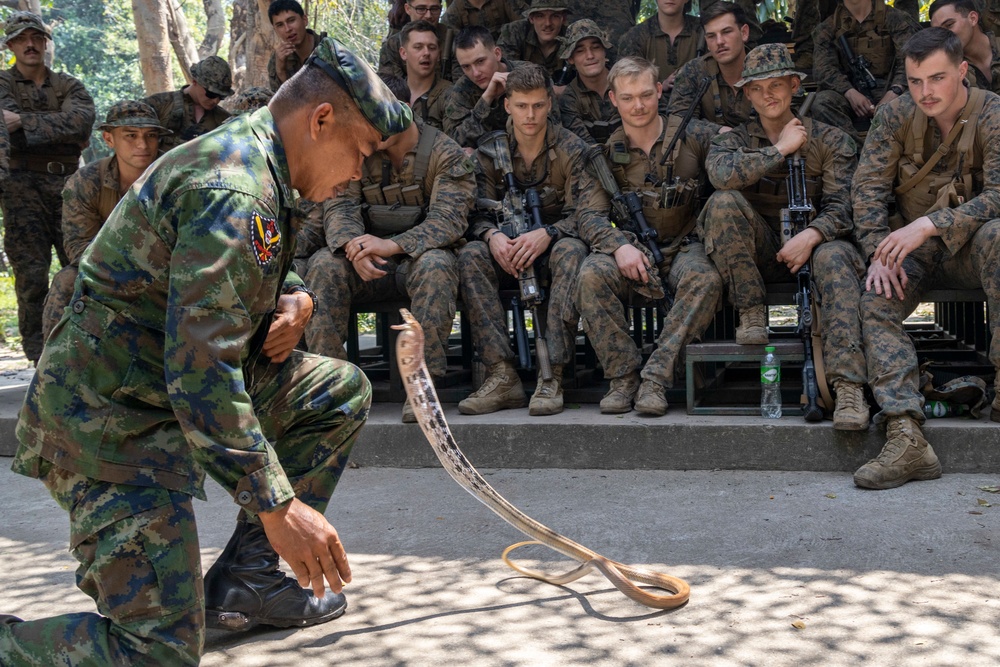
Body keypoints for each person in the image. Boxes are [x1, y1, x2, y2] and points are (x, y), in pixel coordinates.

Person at [0, 37, 412, 664]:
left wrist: (294, 296)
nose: (360, 171)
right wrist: (277, 505)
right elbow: (201, 374)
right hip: (112, 426)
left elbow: (214, 270)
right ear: (320, 120)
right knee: (157, 652)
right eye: (360, 151)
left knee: (337, 388)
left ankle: (249, 582)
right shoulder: (234, 188)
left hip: (157, 393)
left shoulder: (254, 155)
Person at [852, 28, 1000, 488]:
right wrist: (880, 250)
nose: (926, 92)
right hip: (911, 248)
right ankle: (905, 433)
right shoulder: (896, 114)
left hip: (972, 246)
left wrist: (931, 224)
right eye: (915, 81)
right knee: (875, 298)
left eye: (936, 79)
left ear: (962, 70)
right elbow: (868, 189)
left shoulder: (993, 113)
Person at [700, 44, 868, 430]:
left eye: (777, 84)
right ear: (746, 93)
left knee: (837, 258)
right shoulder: (733, 140)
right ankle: (752, 312)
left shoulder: (832, 140)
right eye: (757, 88)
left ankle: (847, 390)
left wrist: (812, 235)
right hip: (756, 256)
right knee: (724, 203)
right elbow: (722, 177)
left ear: (794, 85)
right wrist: (780, 150)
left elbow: (847, 206)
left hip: (815, 249)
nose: (768, 95)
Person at [457, 63, 616, 416]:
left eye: (539, 105)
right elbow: (469, 211)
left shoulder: (573, 150)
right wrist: (492, 236)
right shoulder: (490, 152)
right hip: (506, 250)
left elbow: (589, 212)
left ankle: (552, 375)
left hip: (553, 246)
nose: (531, 115)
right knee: (470, 254)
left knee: (572, 251)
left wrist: (549, 233)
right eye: (522, 106)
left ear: (549, 103)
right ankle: (502, 375)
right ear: (507, 105)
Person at [302, 101, 474, 424]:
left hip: (416, 262)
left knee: (437, 264)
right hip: (366, 265)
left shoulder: (444, 153)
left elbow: (449, 221)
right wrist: (354, 248)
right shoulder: (358, 148)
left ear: (402, 112)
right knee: (324, 264)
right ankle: (332, 388)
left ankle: (423, 388)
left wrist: (391, 245)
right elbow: (338, 206)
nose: (371, 128)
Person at [576, 56, 722, 415]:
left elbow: (731, 155)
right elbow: (590, 217)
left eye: (645, 94)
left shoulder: (693, 133)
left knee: (706, 279)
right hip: (634, 252)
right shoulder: (605, 155)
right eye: (627, 98)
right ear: (613, 99)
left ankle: (655, 378)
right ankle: (623, 377)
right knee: (591, 275)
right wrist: (620, 246)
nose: (637, 106)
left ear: (659, 90)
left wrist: (730, 140)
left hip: (685, 247)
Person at [0, 11, 95, 364]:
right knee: (31, 274)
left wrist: (23, 122)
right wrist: (56, 126)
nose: (30, 44)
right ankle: (38, 356)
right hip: (21, 188)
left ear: (45, 42)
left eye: (36, 38)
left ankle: (84, 345)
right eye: (22, 39)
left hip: (70, 186)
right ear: (10, 44)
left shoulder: (69, 85)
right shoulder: (2, 84)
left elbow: (81, 122)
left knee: (82, 266)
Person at [41, 101, 170, 342]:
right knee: (67, 281)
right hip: (108, 272)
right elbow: (79, 247)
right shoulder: (87, 182)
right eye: (130, 135)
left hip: (171, 272)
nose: (142, 145)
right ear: (109, 139)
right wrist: (124, 273)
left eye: (150, 135)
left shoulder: (176, 175)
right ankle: (53, 370)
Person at [810, 0, 919, 143]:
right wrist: (849, 92)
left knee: (915, 99)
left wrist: (895, 91)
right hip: (850, 94)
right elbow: (823, 69)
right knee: (822, 103)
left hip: (891, 89)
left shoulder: (895, 18)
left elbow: (910, 59)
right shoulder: (829, 27)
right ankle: (857, 152)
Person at [444, 26, 558, 151]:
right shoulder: (463, 89)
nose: (475, 73)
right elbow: (453, 141)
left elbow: (554, 125)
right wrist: (487, 99)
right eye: (466, 67)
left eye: (480, 61)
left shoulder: (529, 74)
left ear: (497, 54)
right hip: (485, 162)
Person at [666, 2, 754, 133]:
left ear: (744, 33)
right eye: (711, 36)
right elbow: (677, 120)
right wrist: (719, 131)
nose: (719, 41)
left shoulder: (766, 68)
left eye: (726, 32)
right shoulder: (693, 71)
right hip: (711, 148)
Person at [145, 55, 234, 151]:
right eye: (211, 94)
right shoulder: (158, 105)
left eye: (221, 97)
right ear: (195, 81)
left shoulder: (224, 120)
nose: (215, 101)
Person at [617, 0, 704, 95]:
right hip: (650, 105)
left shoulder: (703, 31)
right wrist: (659, 85)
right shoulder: (635, 37)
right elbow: (626, 82)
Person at [558, 20, 620, 145]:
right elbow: (582, 143)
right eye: (580, 51)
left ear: (604, 51)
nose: (590, 56)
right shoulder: (569, 99)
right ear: (571, 58)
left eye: (596, 48)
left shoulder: (626, 83)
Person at [378, 0, 461, 83]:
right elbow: (389, 86)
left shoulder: (453, 39)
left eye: (434, 9)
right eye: (421, 9)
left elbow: (461, 83)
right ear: (408, 9)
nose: (428, 15)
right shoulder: (393, 44)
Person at [930, 0, 1000, 94]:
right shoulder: (951, 69)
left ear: (973, 18)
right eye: (939, 31)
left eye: (949, 25)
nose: (944, 35)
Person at [397, 20, 453, 129]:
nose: (426, 53)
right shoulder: (392, 94)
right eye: (418, 47)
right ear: (403, 53)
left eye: (432, 48)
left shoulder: (450, 95)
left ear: (439, 54)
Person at [497, 0, 571, 81]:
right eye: (540, 16)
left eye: (555, 16)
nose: (547, 23)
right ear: (531, 18)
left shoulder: (571, 37)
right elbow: (504, 69)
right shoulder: (514, 32)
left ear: (563, 19)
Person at [267, 0, 327, 91]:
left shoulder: (329, 49)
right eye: (280, 25)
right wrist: (281, 71)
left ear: (304, 20)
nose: (287, 29)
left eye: (291, 20)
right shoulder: (278, 59)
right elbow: (280, 101)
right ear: (275, 30)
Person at [440, 0, 529, 40]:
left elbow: (528, 23)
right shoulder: (454, 11)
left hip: (509, 56)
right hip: (474, 61)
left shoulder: (506, 2)